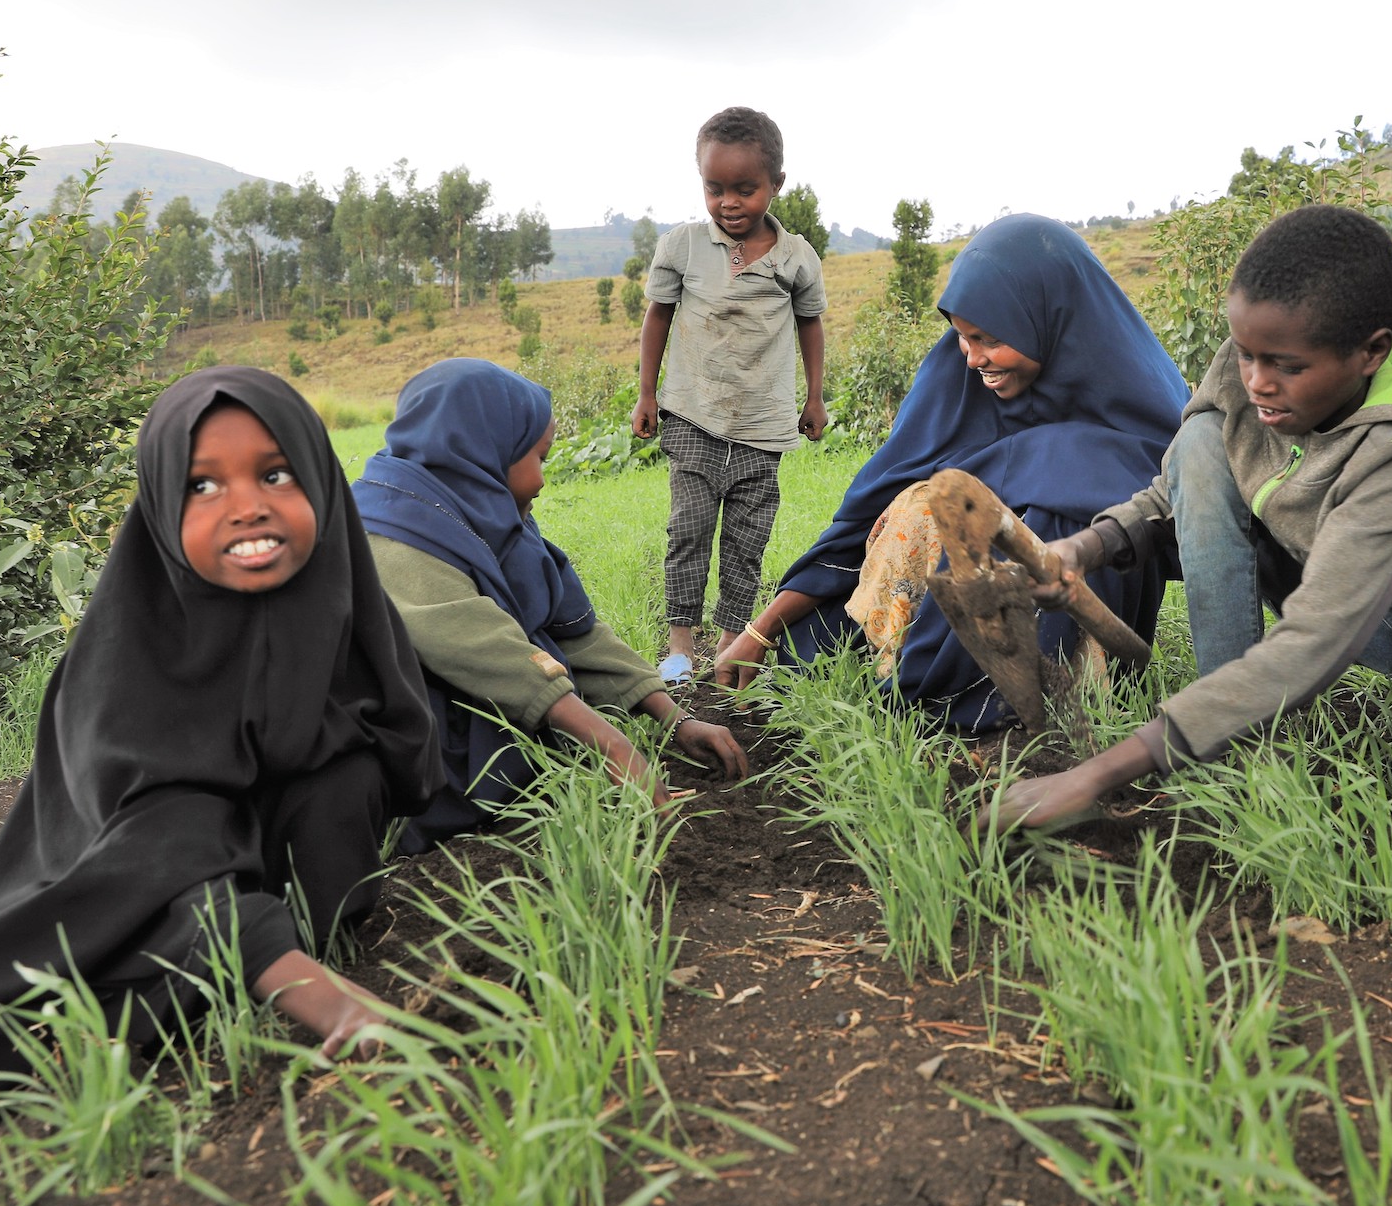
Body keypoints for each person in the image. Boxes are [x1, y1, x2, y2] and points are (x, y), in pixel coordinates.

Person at [0, 370, 442, 1140]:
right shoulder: (131, 663)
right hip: (128, 868)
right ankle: (278, 969)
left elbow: (399, 738)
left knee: (344, 771)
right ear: (161, 505)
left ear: (321, 477)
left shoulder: (339, 597)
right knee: (129, 948)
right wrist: (321, 998)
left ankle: (320, 935)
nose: (247, 504)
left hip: (243, 847)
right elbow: (165, 845)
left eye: (275, 472)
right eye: (202, 485)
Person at [993, 205, 1392, 828]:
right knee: (1200, 439)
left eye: (1286, 367)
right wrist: (1084, 549)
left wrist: (1096, 774)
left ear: (1371, 353)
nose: (1256, 382)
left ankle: (1376, 774)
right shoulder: (1255, 360)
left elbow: (1316, 641)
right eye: (1247, 355)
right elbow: (1175, 487)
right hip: (1304, 565)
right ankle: (1231, 737)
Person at [715, 213, 1189, 731]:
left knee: (1068, 503)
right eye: (961, 336)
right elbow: (859, 524)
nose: (971, 358)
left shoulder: (1130, 391)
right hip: (934, 615)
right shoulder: (956, 380)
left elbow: (1174, 518)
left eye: (987, 338)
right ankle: (908, 669)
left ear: (1042, 314)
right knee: (918, 506)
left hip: (1057, 637)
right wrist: (761, 631)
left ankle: (1029, 703)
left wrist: (1058, 460)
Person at [357, 358, 748, 845]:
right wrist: (612, 746)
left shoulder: (488, 508)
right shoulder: (390, 529)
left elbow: (572, 629)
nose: (543, 480)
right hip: (409, 744)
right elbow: (487, 648)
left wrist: (675, 719)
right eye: (539, 458)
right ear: (483, 449)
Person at [628, 106, 828, 686]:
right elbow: (657, 316)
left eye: (746, 189)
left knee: (747, 537)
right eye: (715, 188)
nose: (729, 202)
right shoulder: (683, 247)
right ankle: (679, 647)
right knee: (688, 528)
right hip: (693, 413)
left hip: (764, 425)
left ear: (776, 185)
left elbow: (810, 325)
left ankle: (730, 644)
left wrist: (814, 398)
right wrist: (647, 393)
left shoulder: (797, 258)